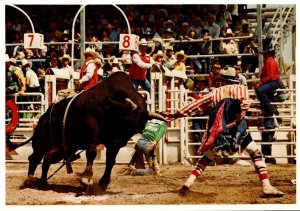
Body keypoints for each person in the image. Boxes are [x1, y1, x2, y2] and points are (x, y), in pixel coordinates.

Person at [161, 70, 284, 197]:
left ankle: (188, 182)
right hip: (237, 130)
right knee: (255, 153)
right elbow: (245, 106)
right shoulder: (242, 89)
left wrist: (173, 115)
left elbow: (195, 105)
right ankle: (266, 186)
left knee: (207, 156)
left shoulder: (214, 92)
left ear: (222, 80)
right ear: (235, 79)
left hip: (219, 131)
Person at [255, 49, 285, 165]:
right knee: (268, 130)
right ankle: (268, 156)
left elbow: (270, 76)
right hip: (268, 109)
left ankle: (267, 156)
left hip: (268, 110)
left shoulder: (270, 62)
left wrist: (261, 84)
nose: (264, 56)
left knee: (268, 130)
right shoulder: (270, 62)